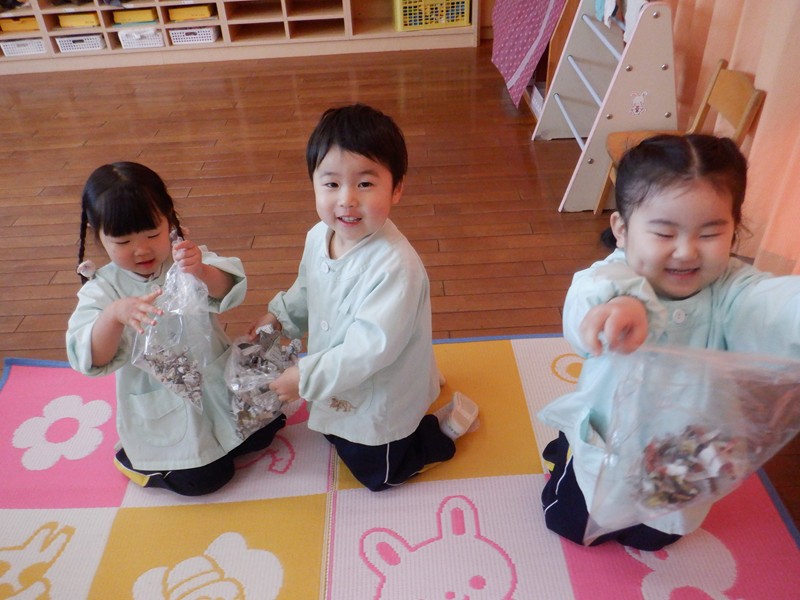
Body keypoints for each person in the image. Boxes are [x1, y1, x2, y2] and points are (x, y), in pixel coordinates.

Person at [538, 134, 800, 550]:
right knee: (569, 520)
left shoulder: (733, 291)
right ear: (622, 230)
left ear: (734, 232)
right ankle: (564, 452)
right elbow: (590, 300)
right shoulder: (614, 278)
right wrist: (621, 307)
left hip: (688, 455)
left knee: (656, 533)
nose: (685, 252)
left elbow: (773, 307)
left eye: (710, 233)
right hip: (611, 441)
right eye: (664, 233)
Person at [248, 103, 479, 491]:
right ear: (313, 184)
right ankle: (424, 379)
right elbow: (307, 289)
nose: (347, 199)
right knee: (332, 428)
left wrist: (306, 376)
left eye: (365, 184)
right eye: (331, 184)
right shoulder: (317, 237)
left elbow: (368, 350)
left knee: (376, 471)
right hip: (341, 375)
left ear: (397, 188)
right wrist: (279, 318)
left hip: (379, 384)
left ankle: (436, 435)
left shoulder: (395, 266)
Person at [66, 162, 286, 496]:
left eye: (152, 234)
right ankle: (135, 460)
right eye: (123, 241)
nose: (142, 249)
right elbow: (92, 356)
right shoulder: (102, 289)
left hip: (215, 382)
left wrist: (201, 272)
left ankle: (225, 439)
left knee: (266, 431)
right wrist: (114, 315)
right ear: (98, 235)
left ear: (169, 219)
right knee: (206, 480)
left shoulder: (184, 259)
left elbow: (228, 289)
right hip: (164, 404)